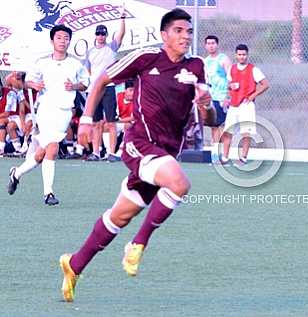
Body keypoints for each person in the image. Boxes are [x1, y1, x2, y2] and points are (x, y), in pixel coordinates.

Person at [58, 8, 211, 302]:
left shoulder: (196, 66)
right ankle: (138, 245)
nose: (185, 36)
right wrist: (87, 121)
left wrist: (205, 103)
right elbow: (101, 81)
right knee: (179, 184)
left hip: (166, 153)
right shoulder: (146, 58)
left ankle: (74, 265)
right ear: (164, 35)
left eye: (189, 31)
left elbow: (211, 116)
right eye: (179, 30)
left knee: (119, 216)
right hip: (139, 143)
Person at [7, 24, 89, 205]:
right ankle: (48, 193)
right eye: (59, 38)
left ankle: (17, 173)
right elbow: (26, 82)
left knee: (41, 154)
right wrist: (33, 85)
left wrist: (73, 86)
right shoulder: (42, 62)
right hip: (45, 110)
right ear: (52, 40)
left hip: (65, 113)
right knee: (52, 148)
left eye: (66, 38)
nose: (63, 41)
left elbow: (85, 84)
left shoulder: (76, 64)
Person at [83, 15, 126, 161]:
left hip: (109, 87)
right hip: (94, 89)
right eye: (98, 33)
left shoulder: (112, 47)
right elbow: (88, 70)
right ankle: (96, 152)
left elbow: (121, 34)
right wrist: (94, 82)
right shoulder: (90, 52)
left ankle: (111, 153)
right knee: (96, 122)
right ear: (95, 35)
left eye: (103, 34)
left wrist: (122, 19)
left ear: (106, 35)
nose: (100, 36)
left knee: (111, 122)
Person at [220, 44, 269, 164]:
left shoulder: (253, 69)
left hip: (246, 105)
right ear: (236, 55)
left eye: (244, 55)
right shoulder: (232, 68)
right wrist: (230, 90)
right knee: (228, 131)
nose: (242, 57)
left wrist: (252, 96)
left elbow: (265, 84)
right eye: (239, 54)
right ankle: (225, 157)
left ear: (247, 55)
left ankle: (243, 157)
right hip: (233, 104)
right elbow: (228, 85)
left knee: (246, 132)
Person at [204, 35, 231, 149]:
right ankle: (215, 154)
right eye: (208, 43)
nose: (211, 46)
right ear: (205, 46)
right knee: (213, 126)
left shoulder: (223, 59)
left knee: (223, 126)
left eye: (213, 43)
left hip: (222, 98)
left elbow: (231, 78)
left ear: (217, 44)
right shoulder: (205, 61)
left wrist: (227, 97)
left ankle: (224, 154)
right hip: (211, 98)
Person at [102, 79, 134, 158]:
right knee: (106, 126)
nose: (133, 93)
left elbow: (134, 117)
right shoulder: (117, 96)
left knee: (128, 126)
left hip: (130, 124)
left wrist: (119, 120)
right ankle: (108, 152)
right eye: (131, 90)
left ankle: (120, 152)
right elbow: (111, 111)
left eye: (134, 91)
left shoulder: (137, 99)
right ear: (125, 90)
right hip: (118, 122)